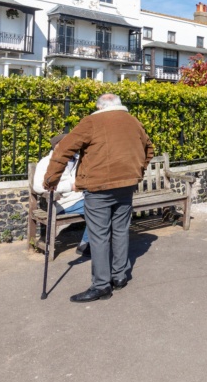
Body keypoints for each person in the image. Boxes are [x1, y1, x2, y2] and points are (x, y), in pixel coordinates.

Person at [43, 93, 154, 302]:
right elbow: (149, 149)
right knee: (120, 230)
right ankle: (119, 276)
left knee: (99, 235)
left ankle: (102, 285)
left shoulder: (91, 121)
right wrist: (137, 171)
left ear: (100, 107)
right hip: (126, 184)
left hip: (98, 187)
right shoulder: (133, 122)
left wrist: (51, 180)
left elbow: (63, 149)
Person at [33, 132, 90, 255]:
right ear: (58, 146)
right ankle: (86, 244)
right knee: (98, 209)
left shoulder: (78, 159)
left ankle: (90, 244)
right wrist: (70, 187)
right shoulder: (46, 162)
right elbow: (38, 187)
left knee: (105, 205)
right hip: (62, 203)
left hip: (82, 198)